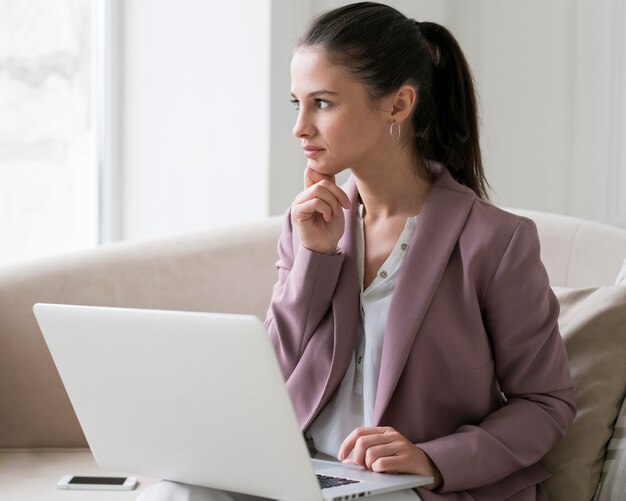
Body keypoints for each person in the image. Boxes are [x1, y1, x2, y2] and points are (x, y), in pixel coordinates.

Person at [138, 2, 576, 500]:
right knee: (175, 492)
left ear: (398, 105)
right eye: (296, 103)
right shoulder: (308, 225)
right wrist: (314, 260)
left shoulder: (496, 242)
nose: (300, 127)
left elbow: (546, 403)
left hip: (413, 488)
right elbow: (275, 370)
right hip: (306, 473)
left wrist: (432, 459)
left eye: (322, 103)